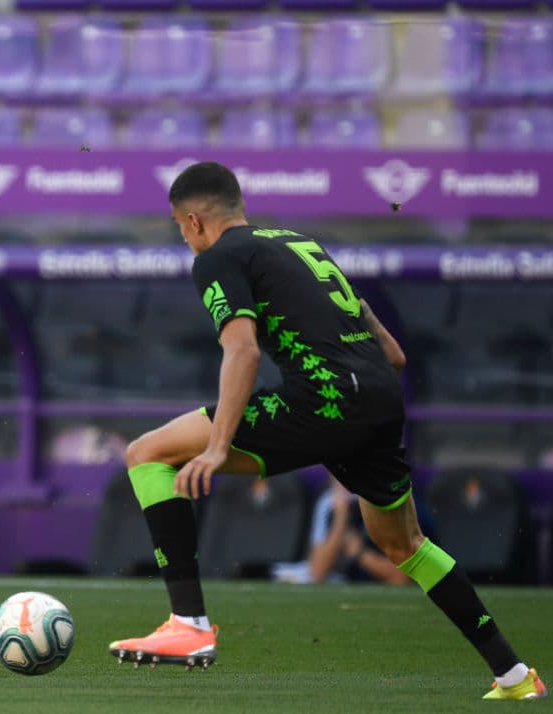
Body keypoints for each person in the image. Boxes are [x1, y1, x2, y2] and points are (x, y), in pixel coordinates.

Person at [109, 161, 546, 700]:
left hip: (327, 398)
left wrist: (219, 445)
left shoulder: (219, 259)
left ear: (195, 221)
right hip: (381, 396)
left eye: (180, 227)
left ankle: (189, 624)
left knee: (147, 453)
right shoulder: (297, 243)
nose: (185, 239)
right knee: (405, 544)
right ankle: (514, 675)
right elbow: (394, 353)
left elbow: (242, 349)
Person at [272, 476, 411, 586]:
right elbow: (317, 572)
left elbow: (400, 579)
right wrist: (340, 519)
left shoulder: (391, 503)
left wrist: (358, 552)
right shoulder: (328, 504)